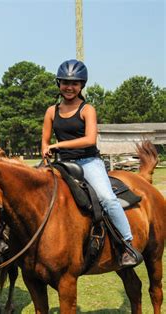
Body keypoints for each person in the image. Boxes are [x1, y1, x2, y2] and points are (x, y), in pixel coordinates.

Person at [41, 59, 141, 267]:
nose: (69, 87)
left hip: (88, 162)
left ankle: (127, 245)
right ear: (58, 83)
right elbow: (44, 138)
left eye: (75, 83)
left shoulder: (87, 109)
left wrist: (58, 145)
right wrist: (45, 148)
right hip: (62, 164)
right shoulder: (51, 111)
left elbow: (89, 139)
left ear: (81, 85)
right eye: (65, 82)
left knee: (107, 199)